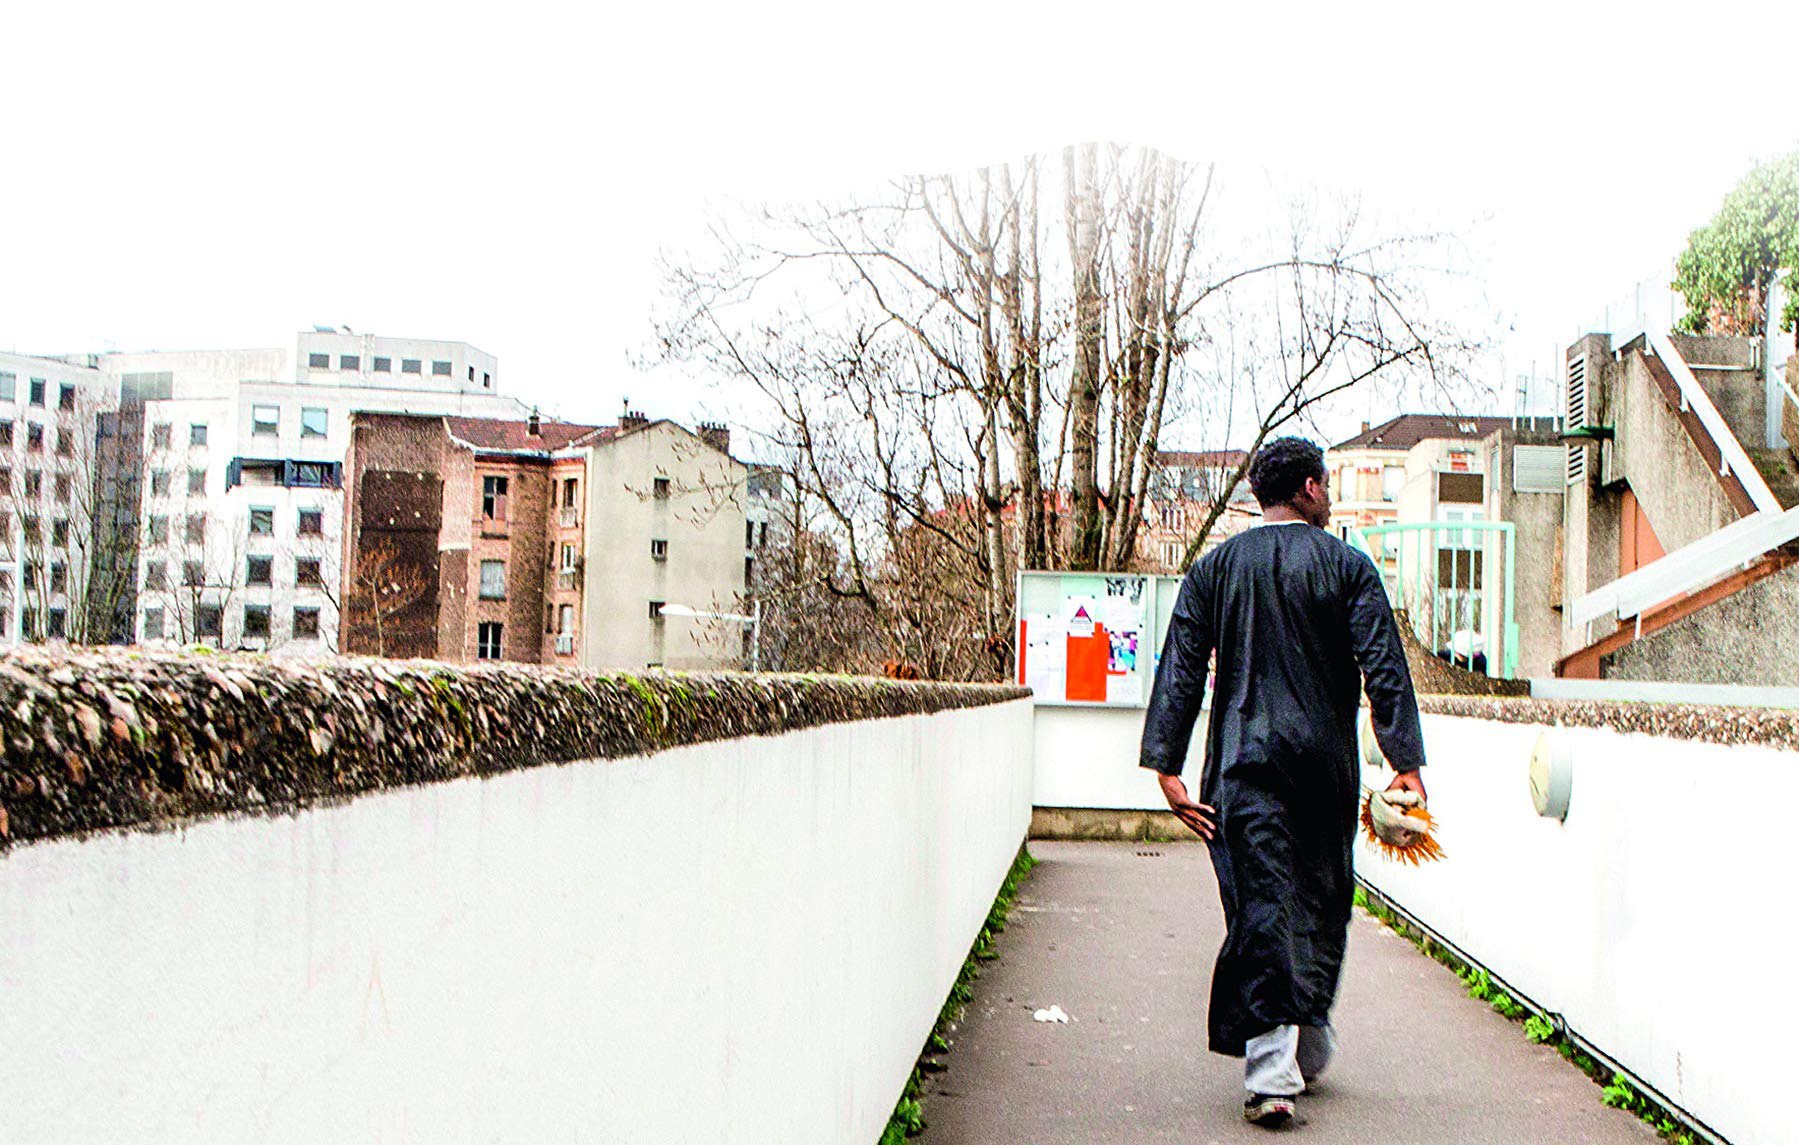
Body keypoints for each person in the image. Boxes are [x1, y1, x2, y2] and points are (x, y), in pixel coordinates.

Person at [1139, 435, 1427, 1128]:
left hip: (1240, 766)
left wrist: (1166, 764)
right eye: (1323, 483)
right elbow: (1382, 667)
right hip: (1322, 770)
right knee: (1320, 899)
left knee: (1261, 906)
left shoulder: (1213, 570)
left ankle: (1297, 1041)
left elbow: (1180, 665)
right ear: (1304, 488)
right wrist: (1404, 761)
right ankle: (1276, 1066)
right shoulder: (1347, 568)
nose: (1326, 494)